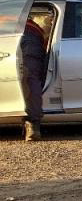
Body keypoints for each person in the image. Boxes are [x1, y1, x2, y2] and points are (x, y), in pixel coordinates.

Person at [18, 11, 50, 141]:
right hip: (26, 33)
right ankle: (32, 123)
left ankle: (32, 123)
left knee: (29, 77)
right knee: (31, 77)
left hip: (23, 33)